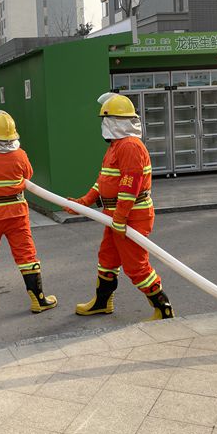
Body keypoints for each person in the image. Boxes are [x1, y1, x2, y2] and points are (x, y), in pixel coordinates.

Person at [66, 93, 174, 320]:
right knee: (107, 258)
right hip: (115, 215)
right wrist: (83, 202)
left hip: (131, 216)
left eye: (106, 120)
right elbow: (104, 181)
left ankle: (163, 308)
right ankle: (102, 302)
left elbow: (130, 187)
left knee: (136, 266)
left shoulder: (130, 147)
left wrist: (121, 217)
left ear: (116, 122)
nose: (103, 125)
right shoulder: (116, 146)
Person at [0, 110, 58, 313]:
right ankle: (38, 299)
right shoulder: (19, 155)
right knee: (26, 253)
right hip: (16, 212)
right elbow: (28, 175)